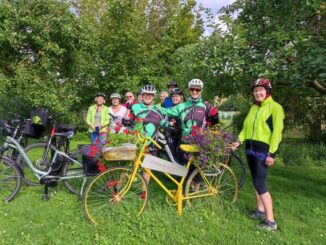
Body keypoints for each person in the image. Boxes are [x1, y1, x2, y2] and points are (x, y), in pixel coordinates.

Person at [232, 78, 285, 231]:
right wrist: (239, 141)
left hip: (263, 150)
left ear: (267, 91)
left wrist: (272, 153)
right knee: (255, 181)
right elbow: (246, 128)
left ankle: (271, 221)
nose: (258, 93)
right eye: (255, 91)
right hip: (250, 148)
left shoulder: (275, 108)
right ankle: (260, 211)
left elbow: (277, 133)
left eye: (260, 90)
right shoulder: (254, 108)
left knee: (260, 184)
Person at [159, 79, 219, 164]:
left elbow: (215, 123)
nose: (195, 91)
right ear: (189, 90)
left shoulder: (207, 106)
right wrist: (151, 107)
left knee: (196, 170)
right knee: (182, 168)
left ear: (201, 90)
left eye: (197, 89)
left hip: (199, 142)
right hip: (184, 141)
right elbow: (166, 111)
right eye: (192, 89)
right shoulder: (183, 105)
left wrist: (209, 133)